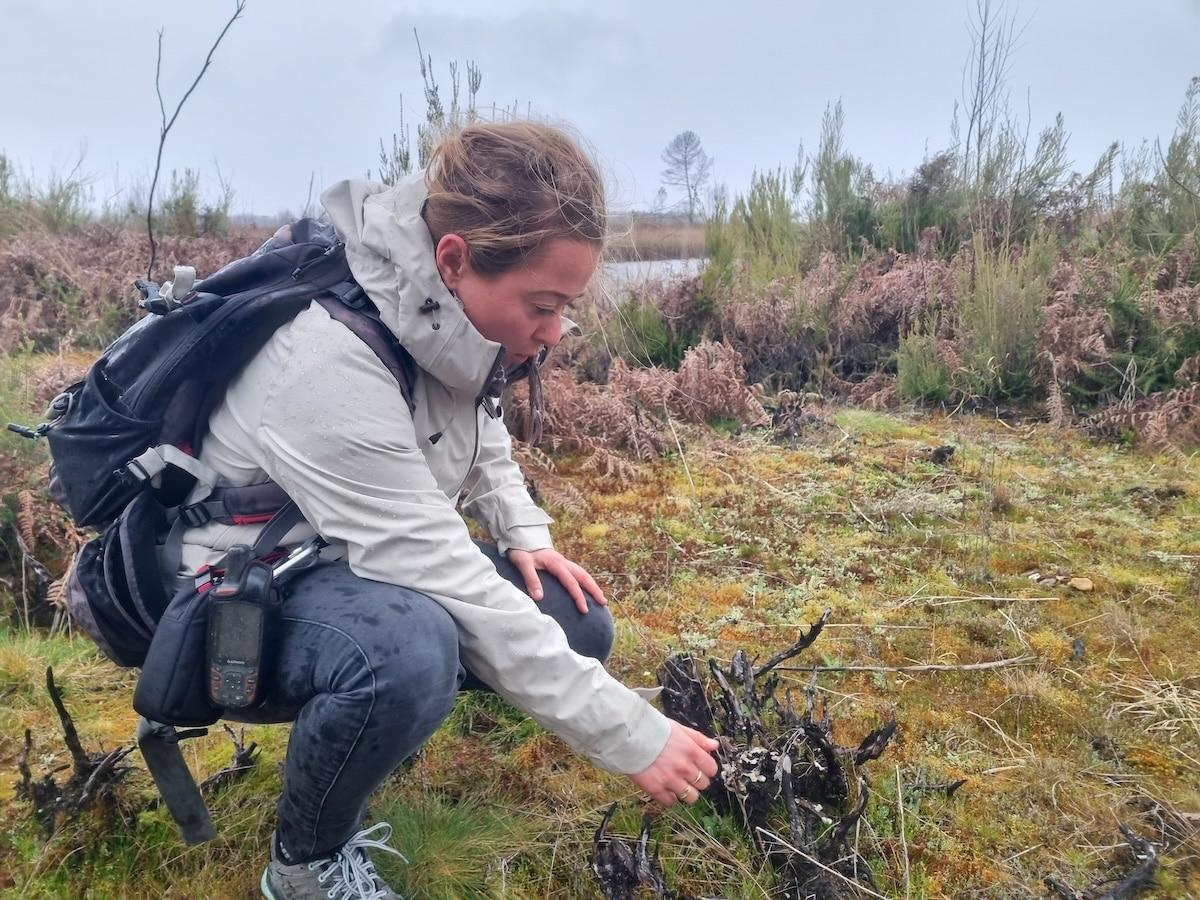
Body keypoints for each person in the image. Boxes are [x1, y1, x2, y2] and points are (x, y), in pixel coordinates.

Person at [166, 121, 719, 900]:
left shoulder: (431, 306)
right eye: (543, 305)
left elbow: (475, 412)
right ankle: (305, 865)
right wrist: (633, 736)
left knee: (574, 620)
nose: (555, 334)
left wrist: (523, 532)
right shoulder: (325, 365)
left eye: (568, 308)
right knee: (411, 650)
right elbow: (443, 574)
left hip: (340, 555)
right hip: (223, 587)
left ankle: (377, 728)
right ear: (455, 258)